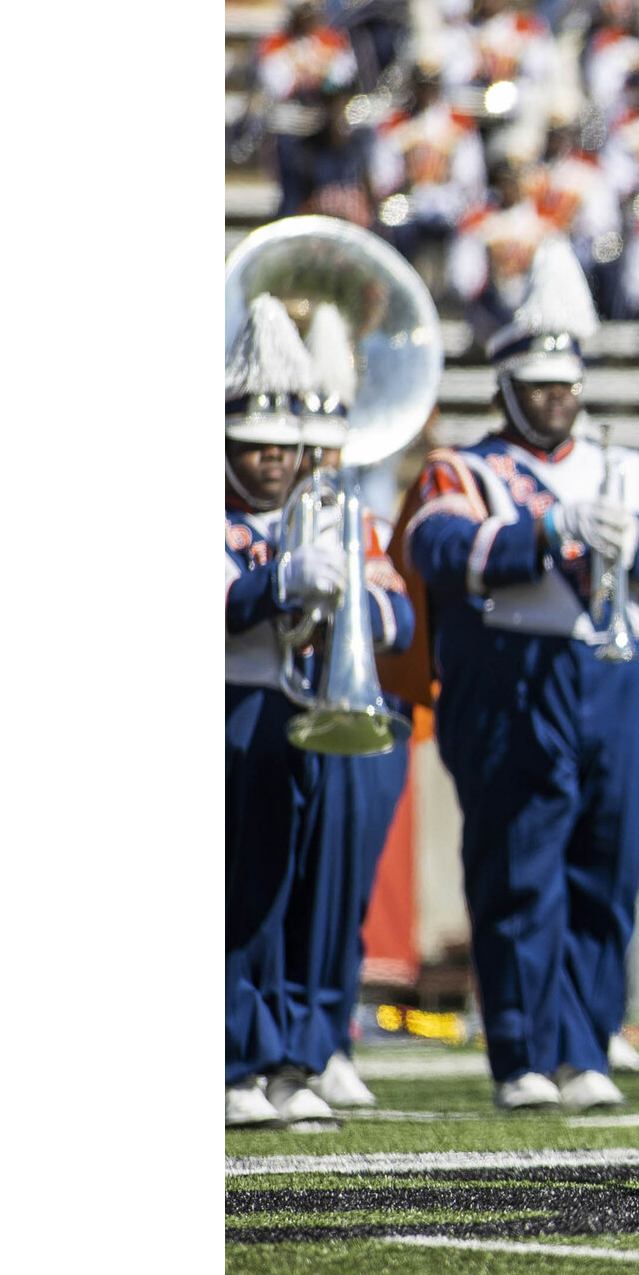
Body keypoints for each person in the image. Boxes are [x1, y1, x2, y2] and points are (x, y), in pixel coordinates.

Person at [388, 241, 639, 1112]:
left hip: (617, 680)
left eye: (567, 384)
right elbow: (437, 544)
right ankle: (524, 1050)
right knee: (518, 862)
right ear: (504, 384)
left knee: (606, 863)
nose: (557, 399)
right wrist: (545, 530)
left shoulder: (632, 466)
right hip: (514, 672)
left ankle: (587, 1041)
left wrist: (636, 541)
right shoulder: (469, 466)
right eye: (539, 386)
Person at [225, 298, 412, 1129]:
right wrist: (280, 582)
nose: (271, 459)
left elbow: (399, 615)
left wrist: (355, 604)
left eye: (282, 445)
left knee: (305, 892)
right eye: (251, 444)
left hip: (309, 717)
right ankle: (234, 1054)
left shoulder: (338, 518)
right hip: (231, 710)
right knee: (236, 898)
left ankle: (291, 1055)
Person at [291, 305, 415, 1113]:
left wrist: (356, 596)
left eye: (334, 439)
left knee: (343, 885)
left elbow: (399, 618)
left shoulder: (355, 516)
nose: (324, 456)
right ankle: (279, 1036)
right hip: (273, 708)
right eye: (312, 440)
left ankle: (327, 1031)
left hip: (349, 717)